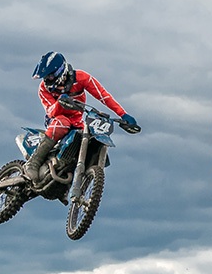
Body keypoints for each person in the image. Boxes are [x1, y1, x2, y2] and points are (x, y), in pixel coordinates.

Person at [25, 51, 138, 187]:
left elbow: (103, 95)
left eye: (51, 75)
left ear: (62, 70)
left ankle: (75, 180)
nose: (48, 79)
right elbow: (50, 111)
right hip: (56, 119)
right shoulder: (43, 89)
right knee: (62, 122)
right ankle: (34, 162)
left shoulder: (81, 78)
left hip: (77, 121)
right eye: (46, 77)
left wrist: (123, 115)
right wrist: (60, 103)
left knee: (90, 136)